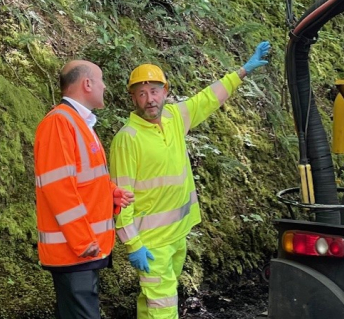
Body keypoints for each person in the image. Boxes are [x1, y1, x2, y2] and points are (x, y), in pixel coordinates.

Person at [110, 41, 271, 318]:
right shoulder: (128, 139)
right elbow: (119, 196)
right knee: (163, 309)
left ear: (165, 91)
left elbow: (208, 98)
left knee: (151, 305)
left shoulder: (175, 117)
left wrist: (243, 71)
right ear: (133, 99)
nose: (150, 99)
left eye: (154, 91)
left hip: (178, 236)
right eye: (141, 93)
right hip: (151, 245)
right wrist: (133, 244)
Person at [34, 60, 135, 319]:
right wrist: (82, 240)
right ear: (87, 84)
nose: (104, 86)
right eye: (101, 80)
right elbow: (58, 188)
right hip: (75, 250)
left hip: (81, 250)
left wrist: (110, 192)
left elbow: (83, 180)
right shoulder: (60, 123)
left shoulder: (79, 123)